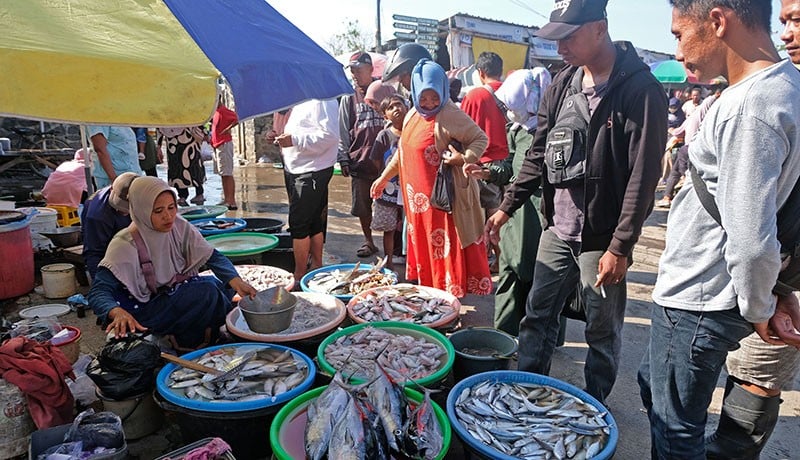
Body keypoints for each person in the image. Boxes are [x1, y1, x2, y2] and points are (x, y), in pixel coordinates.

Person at [638, 0, 800, 458]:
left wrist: (759, 306)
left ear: (717, 21)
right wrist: (772, 294)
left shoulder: (750, 107)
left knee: (675, 432)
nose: (678, 47)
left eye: (678, 33)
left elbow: (751, 240)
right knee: (657, 388)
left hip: (699, 296)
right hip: (706, 292)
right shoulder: (783, 87)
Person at [485, 0, 668, 405]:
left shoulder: (640, 90)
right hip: (558, 229)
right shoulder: (562, 84)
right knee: (537, 315)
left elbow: (644, 175)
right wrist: (506, 205)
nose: (561, 47)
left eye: (569, 37)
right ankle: (527, 393)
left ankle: (593, 406)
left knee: (600, 330)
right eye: (556, 39)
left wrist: (620, 246)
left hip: (601, 237)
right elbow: (538, 153)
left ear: (599, 28)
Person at [705, 1, 800, 458]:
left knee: (755, 376)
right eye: (784, 21)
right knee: (749, 368)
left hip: (776, 269)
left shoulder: (773, 98)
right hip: (777, 273)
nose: (787, 33)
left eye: (798, 19)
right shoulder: (781, 89)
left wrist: (773, 292)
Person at [87, 176, 256, 352]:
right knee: (207, 293)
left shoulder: (179, 226)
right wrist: (116, 312)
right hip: (143, 309)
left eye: (171, 207)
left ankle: (200, 337)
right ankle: (188, 341)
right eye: (158, 211)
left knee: (224, 286)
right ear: (141, 210)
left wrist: (236, 281)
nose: (168, 216)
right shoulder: (124, 244)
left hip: (169, 293)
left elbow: (213, 256)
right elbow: (98, 292)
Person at [371, 59, 492, 298]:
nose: (429, 103)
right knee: (427, 251)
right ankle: (431, 297)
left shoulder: (449, 114)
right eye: (424, 97)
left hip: (443, 203)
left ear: (443, 91)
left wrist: (463, 158)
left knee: (445, 249)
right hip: (417, 206)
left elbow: (480, 138)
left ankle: (449, 303)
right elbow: (402, 154)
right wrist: (384, 178)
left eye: (434, 97)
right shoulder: (412, 114)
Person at [465, 67, 552, 335]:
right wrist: (488, 172)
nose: (508, 110)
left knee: (536, 274)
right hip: (513, 212)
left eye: (511, 104)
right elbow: (509, 168)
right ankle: (504, 334)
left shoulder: (551, 133)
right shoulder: (517, 130)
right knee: (510, 269)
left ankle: (536, 335)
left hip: (537, 214)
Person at [267, 99, 339, 281]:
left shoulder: (324, 100)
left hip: (312, 170)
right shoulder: (301, 100)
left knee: (298, 224)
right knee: (313, 221)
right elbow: (302, 130)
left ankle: (299, 274)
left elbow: (330, 136)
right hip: (296, 167)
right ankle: (316, 266)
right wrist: (280, 137)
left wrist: (294, 139)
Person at [460, 51, 510, 273]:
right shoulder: (512, 92)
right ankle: (504, 258)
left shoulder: (475, 96)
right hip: (510, 163)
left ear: (480, 73)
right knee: (505, 212)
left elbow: (462, 130)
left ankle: (488, 260)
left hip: (484, 164)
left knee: (486, 213)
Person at [338, 52, 386, 258]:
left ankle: (394, 246)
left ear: (370, 69)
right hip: (360, 159)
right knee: (362, 206)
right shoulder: (349, 97)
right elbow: (343, 128)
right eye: (352, 70)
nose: (355, 74)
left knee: (391, 205)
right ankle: (369, 241)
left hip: (386, 162)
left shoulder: (383, 89)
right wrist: (343, 157)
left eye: (359, 70)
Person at [656, 85, 723, 208]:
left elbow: (679, 131)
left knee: (675, 172)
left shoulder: (699, 113)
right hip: (692, 148)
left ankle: (668, 196)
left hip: (688, 147)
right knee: (685, 175)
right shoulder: (706, 111)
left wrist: (673, 131)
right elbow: (679, 131)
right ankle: (680, 189)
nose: (695, 97)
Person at [369, 95, 407, 272]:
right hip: (389, 189)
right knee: (389, 228)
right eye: (391, 107)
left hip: (409, 188)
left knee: (410, 227)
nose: (396, 109)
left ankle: (411, 261)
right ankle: (389, 261)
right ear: (385, 116)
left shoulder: (411, 131)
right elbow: (376, 160)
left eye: (399, 104)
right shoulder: (384, 135)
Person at [81, 172, 138, 280]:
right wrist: (100, 285)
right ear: (111, 189)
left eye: (129, 207)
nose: (125, 212)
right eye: (121, 207)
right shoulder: (97, 215)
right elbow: (94, 253)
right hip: (106, 249)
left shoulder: (145, 199)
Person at [159, 126, 206, 207]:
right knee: (178, 169)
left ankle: (197, 194)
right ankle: (185, 195)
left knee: (192, 167)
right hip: (174, 142)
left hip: (188, 140)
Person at [211, 96, 239, 210]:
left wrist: (228, 129)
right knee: (223, 173)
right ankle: (226, 199)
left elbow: (236, 118)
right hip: (218, 144)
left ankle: (231, 201)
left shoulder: (223, 111)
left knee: (227, 173)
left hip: (224, 144)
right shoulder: (216, 112)